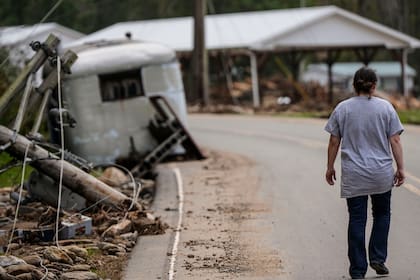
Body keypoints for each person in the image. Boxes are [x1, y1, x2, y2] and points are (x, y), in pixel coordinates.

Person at [324, 67, 404, 279]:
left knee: (357, 219)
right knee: (382, 214)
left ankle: (358, 270)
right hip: (381, 173)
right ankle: (377, 258)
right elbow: (395, 140)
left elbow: (334, 140)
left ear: (354, 85)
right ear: (374, 86)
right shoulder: (386, 108)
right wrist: (401, 168)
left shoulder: (343, 108)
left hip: (354, 174)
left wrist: (330, 166)